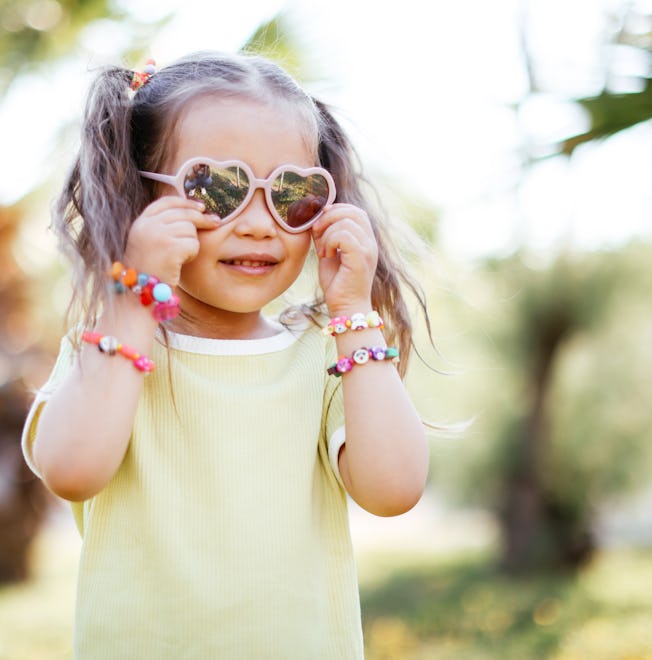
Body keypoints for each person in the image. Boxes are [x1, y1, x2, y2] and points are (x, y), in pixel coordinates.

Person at [22, 50, 430, 659]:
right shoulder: (111, 346)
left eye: (293, 193)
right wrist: (134, 298)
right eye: (218, 188)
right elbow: (72, 472)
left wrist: (352, 312)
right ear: (141, 198)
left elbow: (394, 489)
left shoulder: (321, 353)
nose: (262, 224)